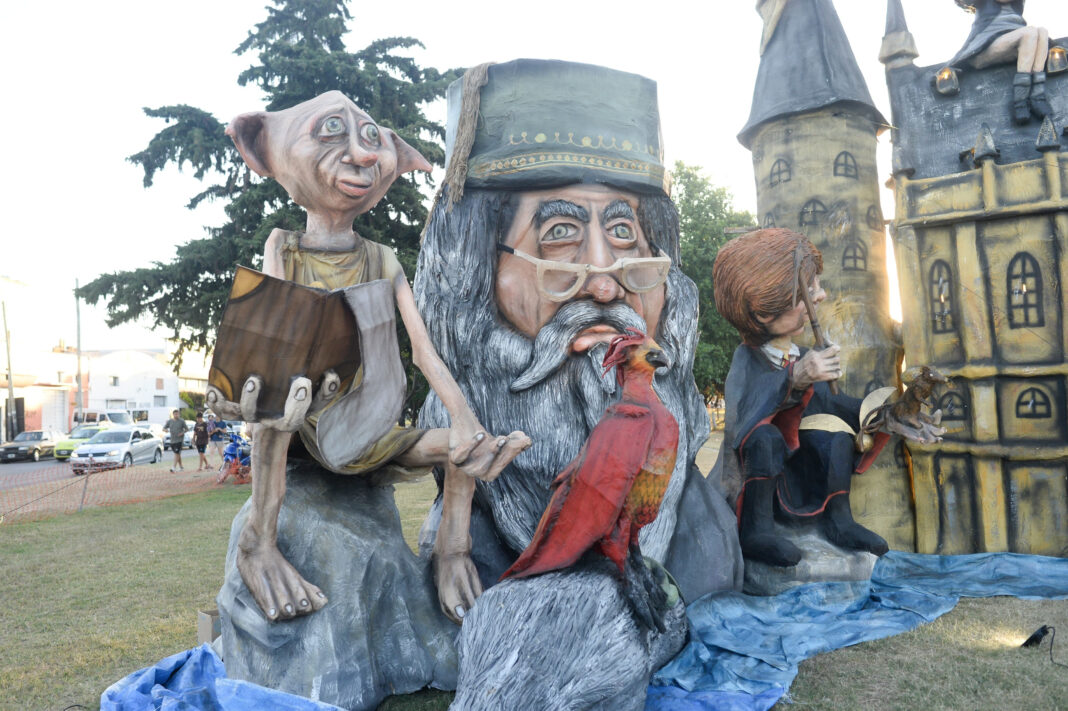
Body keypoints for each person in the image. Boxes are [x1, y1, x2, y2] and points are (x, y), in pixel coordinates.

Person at [416, 59, 742, 605]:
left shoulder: (702, 527)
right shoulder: (471, 518)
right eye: (560, 235)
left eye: (623, 233)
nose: (605, 288)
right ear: (476, 272)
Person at [214, 90, 530, 624]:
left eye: (372, 141)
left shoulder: (382, 259)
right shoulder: (284, 248)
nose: (361, 156)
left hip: (372, 435)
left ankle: (451, 553)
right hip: (302, 436)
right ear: (265, 151)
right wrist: (244, 384)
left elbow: (423, 351)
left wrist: (466, 423)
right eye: (332, 132)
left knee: (462, 451)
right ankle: (257, 544)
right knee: (273, 415)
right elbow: (266, 340)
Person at [712, 228, 944, 567]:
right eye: (809, 289)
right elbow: (743, 418)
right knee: (764, 437)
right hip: (764, 477)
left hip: (803, 469)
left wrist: (889, 414)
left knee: (834, 433)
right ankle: (756, 530)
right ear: (763, 311)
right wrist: (796, 377)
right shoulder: (748, 360)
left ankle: (839, 519)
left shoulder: (805, 353)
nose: (820, 296)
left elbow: (835, 404)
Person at [947, 0, 1051, 123]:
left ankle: (1037, 95)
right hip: (985, 47)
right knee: (1029, 32)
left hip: (1013, 43)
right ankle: (1020, 101)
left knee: (1042, 32)